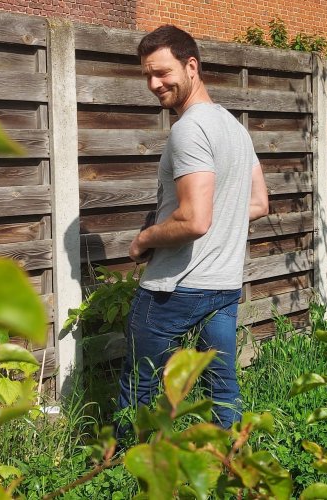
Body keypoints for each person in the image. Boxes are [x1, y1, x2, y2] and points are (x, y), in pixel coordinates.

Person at [117, 25, 269, 429]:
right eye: (147, 75)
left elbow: (195, 220)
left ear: (191, 66)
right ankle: (229, 469)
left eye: (163, 72)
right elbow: (257, 203)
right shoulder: (235, 129)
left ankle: (117, 473)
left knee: (139, 387)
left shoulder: (190, 129)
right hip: (223, 283)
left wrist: (143, 240)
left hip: (175, 287)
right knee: (222, 387)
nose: (153, 84)